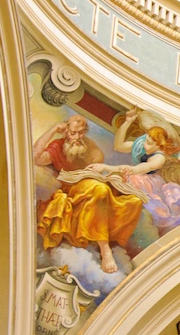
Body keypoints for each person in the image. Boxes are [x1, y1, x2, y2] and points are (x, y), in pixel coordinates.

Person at [35, 115, 142, 273]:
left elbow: (97, 165)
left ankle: (107, 241)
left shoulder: (89, 147)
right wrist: (52, 130)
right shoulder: (57, 146)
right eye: (73, 133)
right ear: (65, 131)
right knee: (100, 189)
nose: (77, 137)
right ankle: (105, 250)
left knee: (134, 201)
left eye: (81, 133)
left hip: (90, 186)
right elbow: (34, 157)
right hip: (69, 189)